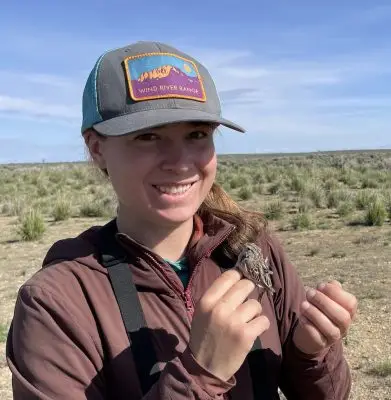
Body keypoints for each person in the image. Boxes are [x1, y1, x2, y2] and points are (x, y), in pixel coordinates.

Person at [6, 41, 357, 400]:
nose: (181, 161)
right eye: (148, 136)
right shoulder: (58, 303)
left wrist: (310, 352)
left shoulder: (251, 250)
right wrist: (201, 373)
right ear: (97, 148)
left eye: (197, 134)